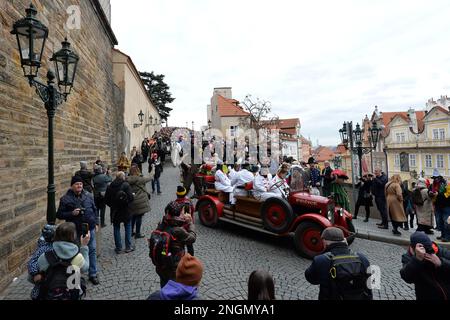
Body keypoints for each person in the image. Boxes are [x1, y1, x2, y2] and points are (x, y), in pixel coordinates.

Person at [305, 227, 372, 300]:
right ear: (344, 240)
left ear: (325, 241)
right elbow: (368, 287)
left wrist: (324, 252)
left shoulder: (321, 260)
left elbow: (311, 278)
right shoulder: (362, 258)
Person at [56, 175, 99, 285]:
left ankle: (93, 274)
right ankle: (76, 276)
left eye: (80, 183)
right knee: (75, 253)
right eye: (76, 184)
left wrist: (96, 222)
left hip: (89, 228)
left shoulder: (89, 195)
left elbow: (94, 209)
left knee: (92, 250)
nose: (79, 185)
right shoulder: (65, 199)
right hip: (74, 231)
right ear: (72, 186)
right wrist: (72, 213)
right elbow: (59, 214)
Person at [37, 222, 90, 300]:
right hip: (71, 294)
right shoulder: (77, 257)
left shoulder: (45, 256)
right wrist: (84, 247)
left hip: (50, 294)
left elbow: (33, 278)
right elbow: (85, 268)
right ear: (73, 237)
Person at [152, 202, 196, 288]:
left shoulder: (161, 224)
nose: (184, 214)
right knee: (175, 290)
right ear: (178, 214)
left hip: (161, 266)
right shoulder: (178, 231)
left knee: (164, 286)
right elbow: (192, 238)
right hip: (174, 268)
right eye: (182, 212)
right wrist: (190, 223)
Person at [400, 231, 450, 300]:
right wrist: (417, 259)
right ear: (413, 248)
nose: (427, 253)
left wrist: (441, 263)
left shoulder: (438, 250)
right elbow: (407, 278)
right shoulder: (408, 258)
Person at [104, 171, 135, 254]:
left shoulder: (110, 186)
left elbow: (106, 200)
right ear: (123, 177)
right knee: (128, 226)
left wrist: (112, 205)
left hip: (115, 211)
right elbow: (131, 198)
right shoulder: (126, 185)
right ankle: (128, 247)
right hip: (125, 209)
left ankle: (118, 248)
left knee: (116, 228)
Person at [27, 225, 57, 300]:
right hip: (45, 279)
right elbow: (32, 262)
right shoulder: (43, 249)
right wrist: (36, 273)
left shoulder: (55, 245)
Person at [127, 165, 153, 239]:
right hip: (140, 202)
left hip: (132, 201)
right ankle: (137, 233)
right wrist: (153, 168)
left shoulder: (127, 179)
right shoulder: (140, 179)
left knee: (133, 217)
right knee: (139, 217)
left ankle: (131, 231)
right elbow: (150, 177)